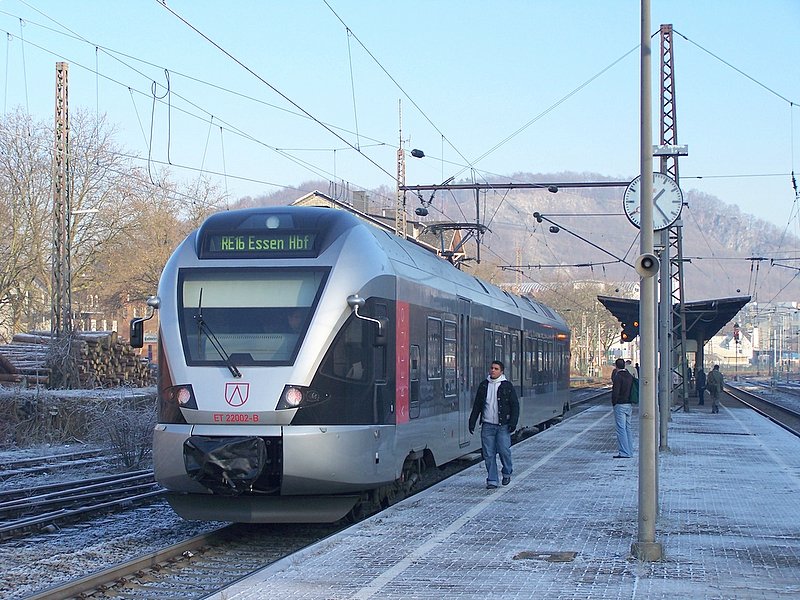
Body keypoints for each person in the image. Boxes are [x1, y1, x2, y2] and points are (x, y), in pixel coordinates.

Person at [468, 360, 519, 489]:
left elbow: (515, 405)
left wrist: (513, 422)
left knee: (504, 450)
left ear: (501, 371)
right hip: (487, 425)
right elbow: (477, 405)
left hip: (503, 426)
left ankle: (507, 472)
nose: (493, 370)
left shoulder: (507, 386)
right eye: (491, 368)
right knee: (488, 454)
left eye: (496, 368)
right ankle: (492, 480)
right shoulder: (484, 385)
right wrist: (472, 421)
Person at [611, 357, 634, 458]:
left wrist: (614, 403)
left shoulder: (618, 376)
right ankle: (630, 451)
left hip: (620, 405)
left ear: (616, 366)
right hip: (629, 404)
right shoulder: (629, 376)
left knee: (621, 429)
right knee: (628, 428)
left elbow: (615, 392)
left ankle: (624, 452)